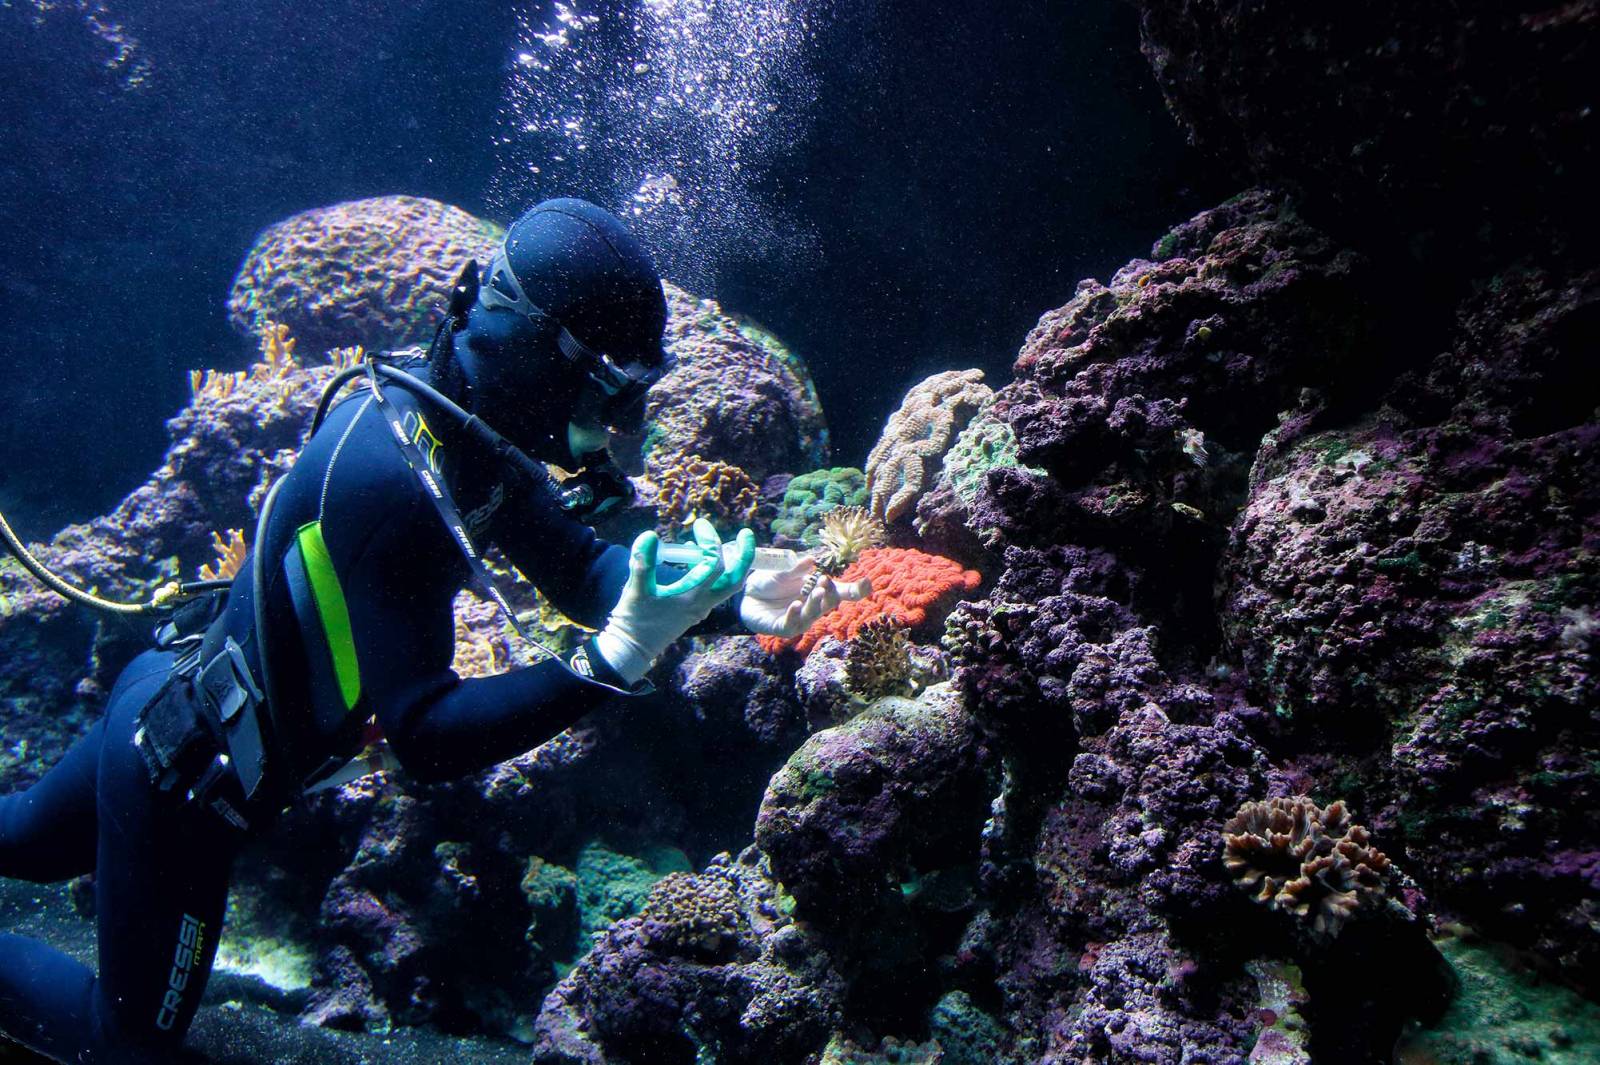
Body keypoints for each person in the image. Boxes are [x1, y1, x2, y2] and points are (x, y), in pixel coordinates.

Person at [0, 198, 863, 1064]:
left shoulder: (465, 425)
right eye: (611, 392)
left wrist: (721, 594)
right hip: (185, 786)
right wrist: (613, 661)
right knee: (127, 1048)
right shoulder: (395, 481)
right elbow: (423, 735)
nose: (619, 428)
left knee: (26, 840)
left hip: (162, 703)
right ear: (537, 355)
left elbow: (581, 569)